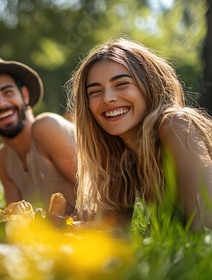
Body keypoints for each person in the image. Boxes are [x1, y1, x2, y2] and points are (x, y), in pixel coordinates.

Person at [66, 37, 212, 230]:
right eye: (95, 92)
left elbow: (205, 229)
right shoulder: (123, 158)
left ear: (149, 85)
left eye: (122, 84)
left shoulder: (176, 124)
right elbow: (115, 233)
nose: (108, 98)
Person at [0, 54, 77, 213]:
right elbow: (14, 220)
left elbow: (97, 196)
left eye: (7, 92)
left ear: (25, 95)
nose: (1, 104)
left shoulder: (47, 126)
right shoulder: (3, 159)